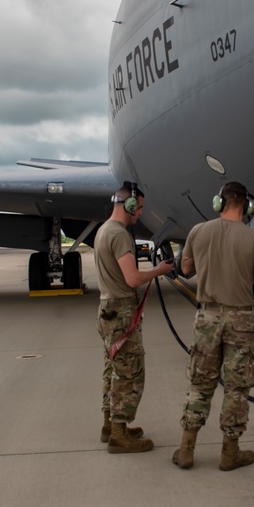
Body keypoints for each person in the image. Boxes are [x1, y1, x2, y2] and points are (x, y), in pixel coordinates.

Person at [172, 181, 254, 471]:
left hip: (206, 317)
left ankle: (186, 450)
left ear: (219, 203)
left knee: (200, 383)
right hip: (242, 319)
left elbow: (185, 268)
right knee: (237, 387)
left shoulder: (198, 231)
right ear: (247, 207)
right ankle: (229, 453)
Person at [95, 181, 174, 454]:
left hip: (108, 308)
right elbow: (133, 278)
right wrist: (159, 270)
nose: (140, 213)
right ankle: (119, 435)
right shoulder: (118, 234)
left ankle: (110, 425)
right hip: (121, 312)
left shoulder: (103, 229)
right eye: (139, 208)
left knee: (113, 370)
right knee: (129, 373)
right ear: (129, 205)